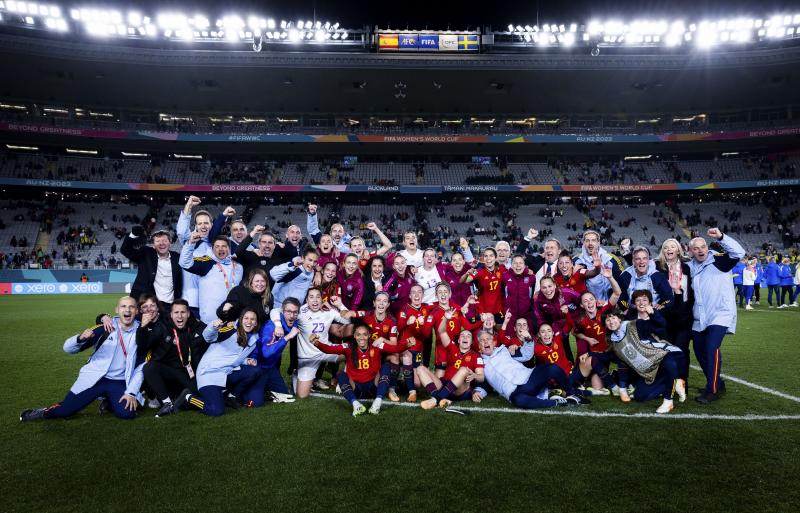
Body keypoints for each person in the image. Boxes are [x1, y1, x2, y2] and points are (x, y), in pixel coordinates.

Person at [21, 297, 145, 421]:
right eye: (123, 306)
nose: (127, 310)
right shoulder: (104, 328)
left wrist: (131, 392)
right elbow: (67, 348)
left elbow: (141, 366)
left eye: (131, 307)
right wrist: (80, 338)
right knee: (65, 411)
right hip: (96, 378)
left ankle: (109, 400)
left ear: (137, 311)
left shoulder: (142, 333)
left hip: (120, 381)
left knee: (127, 414)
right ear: (117, 310)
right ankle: (43, 412)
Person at [688, 228, 745, 404]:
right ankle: (717, 382)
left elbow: (739, 252)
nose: (700, 250)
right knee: (699, 351)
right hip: (700, 317)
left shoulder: (720, 261)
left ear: (707, 247)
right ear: (690, 251)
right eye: (696, 248)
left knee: (712, 348)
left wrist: (721, 237)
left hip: (720, 314)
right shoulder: (690, 267)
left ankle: (712, 390)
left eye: (703, 246)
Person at [603, 296, 687, 414]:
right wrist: (589, 355)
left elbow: (660, 325)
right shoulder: (615, 343)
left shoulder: (634, 324)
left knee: (669, 363)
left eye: (613, 318)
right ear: (605, 325)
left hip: (667, 354)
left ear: (620, 318)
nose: (611, 321)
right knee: (640, 396)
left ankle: (668, 401)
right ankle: (676, 381)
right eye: (607, 320)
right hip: (653, 368)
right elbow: (616, 360)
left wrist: (653, 313)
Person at [175, 309, 262, 416]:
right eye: (246, 318)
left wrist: (246, 361)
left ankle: (231, 397)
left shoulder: (253, 338)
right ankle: (188, 397)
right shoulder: (230, 329)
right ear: (240, 319)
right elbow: (208, 337)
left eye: (253, 319)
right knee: (216, 410)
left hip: (226, 372)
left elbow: (233, 356)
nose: (249, 322)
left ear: (256, 323)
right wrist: (213, 326)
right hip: (210, 374)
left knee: (255, 370)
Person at [269, 288, 352, 398]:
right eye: (311, 297)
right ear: (307, 300)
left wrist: (340, 305)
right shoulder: (299, 312)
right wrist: (278, 325)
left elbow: (349, 321)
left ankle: (347, 380)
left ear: (322, 299)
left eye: (318, 297)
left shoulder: (328, 311)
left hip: (327, 351)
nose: (315, 300)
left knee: (353, 351)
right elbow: (274, 311)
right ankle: (297, 374)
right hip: (308, 357)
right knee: (302, 395)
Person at [314, 324, 412, 416]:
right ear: (354, 336)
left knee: (386, 366)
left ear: (369, 335)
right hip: (356, 389)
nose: (362, 338)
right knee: (340, 373)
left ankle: (377, 403)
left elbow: (395, 349)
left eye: (365, 334)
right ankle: (356, 405)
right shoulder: (348, 347)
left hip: (373, 388)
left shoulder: (376, 346)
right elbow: (329, 349)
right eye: (358, 335)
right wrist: (316, 343)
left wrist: (408, 343)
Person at [475, 330, 587, 409]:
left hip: (528, 379)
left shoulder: (504, 350)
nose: (485, 342)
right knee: (518, 401)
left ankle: (572, 393)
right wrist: (478, 392)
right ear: (479, 345)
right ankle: (556, 402)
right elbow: (483, 381)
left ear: (493, 342)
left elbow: (526, 355)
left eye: (488, 339)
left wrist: (528, 340)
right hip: (513, 392)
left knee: (552, 368)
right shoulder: (480, 362)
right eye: (482, 340)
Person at [137, 299, 209, 417]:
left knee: (199, 395)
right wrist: (143, 327)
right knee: (150, 367)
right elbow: (144, 343)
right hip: (167, 371)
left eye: (183, 312)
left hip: (187, 372)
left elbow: (211, 333)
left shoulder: (196, 325)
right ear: (171, 314)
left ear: (188, 314)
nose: (180, 316)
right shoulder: (163, 326)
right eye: (176, 312)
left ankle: (180, 400)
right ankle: (167, 404)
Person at [242, 297, 303, 407]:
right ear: (283, 311)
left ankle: (265, 389)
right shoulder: (271, 327)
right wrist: (287, 337)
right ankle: (242, 389)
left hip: (270, 368)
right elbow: (266, 353)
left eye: (295, 312)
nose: (292, 315)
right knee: (255, 403)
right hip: (257, 367)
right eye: (288, 311)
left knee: (285, 394)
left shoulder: (294, 322)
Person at [176, 196, 226, 317]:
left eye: (206, 223)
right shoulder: (190, 240)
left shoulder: (218, 246)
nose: (203, 226)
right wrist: (189, 206)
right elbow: (182, 231)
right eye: (199, 223)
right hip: (191, 301)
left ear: (211, 224)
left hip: (211, 302)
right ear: (195, 226)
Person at [655, 238, 694, 387]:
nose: (669, 249)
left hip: (683, 315)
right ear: (663, 251)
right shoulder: (658, 267)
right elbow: (640, 265)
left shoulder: (688, 268)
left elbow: (692, 292)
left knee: (681, 349)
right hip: (664, 316)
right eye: (666, 247)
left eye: (672, 247)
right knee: (665, 351)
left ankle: (682, 383)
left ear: (678, 250)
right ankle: (667, 383)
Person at [179, 234, 243, 324]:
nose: (220, 249)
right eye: (217, 246)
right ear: (212, 249)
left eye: (224, 246)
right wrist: (190, 243)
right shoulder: (207, 263)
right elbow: (184, 263)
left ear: (229, 249)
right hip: (211, 320)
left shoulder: (238, 266)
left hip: (233, 318)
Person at [419, 330, 485, 410]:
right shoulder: (453, 349)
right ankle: (442, 398)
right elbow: (442, 331)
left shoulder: (476, 356)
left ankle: (435, 399)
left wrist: (474, 375)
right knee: (420, 368)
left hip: (461, 389)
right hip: (444, 384)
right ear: (458, 340)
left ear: (471, 342)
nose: (465, 337)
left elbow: (481, 377)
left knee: (463, 370)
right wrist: (445, 318)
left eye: (468, 336)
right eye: (462, 335)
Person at [120, 226, 182, 310]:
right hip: (147, 304)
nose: (161, 243)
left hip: (169, 305)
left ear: (170, 242)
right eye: (158, 241)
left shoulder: (177, 257)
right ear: (153, 244)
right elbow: (125, 250)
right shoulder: (146, 253)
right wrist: (133, 235)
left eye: (164, 240)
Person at [617, 246, 674, 312]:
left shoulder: (658, 276)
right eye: (638, 259)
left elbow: (669, 297)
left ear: (648, 261)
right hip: (632, 312)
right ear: (633, 261)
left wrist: (662, 305)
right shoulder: (625, 276)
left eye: (644, 258)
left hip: (653, 313)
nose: (642, 262)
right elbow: (619, 296)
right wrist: (627, 309)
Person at [574, 230, 626, 302]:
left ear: (598, 243)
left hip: (609, 304)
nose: (590, 243)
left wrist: (621, 305)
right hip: (588, 306)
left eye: (593, 240)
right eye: (587, 241)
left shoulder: (611, 259)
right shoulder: (577, 260)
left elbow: (623, 282)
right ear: (583, 243)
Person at [462, 247, 505, 322]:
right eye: (486, 256)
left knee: (499, 331)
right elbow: (466, 281)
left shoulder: (502, 269)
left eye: (491, 256)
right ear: (483, 258)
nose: (488, 258)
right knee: (483, 332)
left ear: (495, 258)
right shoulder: (479, 271)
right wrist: (467, 274)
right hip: (482, 309)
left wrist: (528, 270)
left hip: (498, 308)